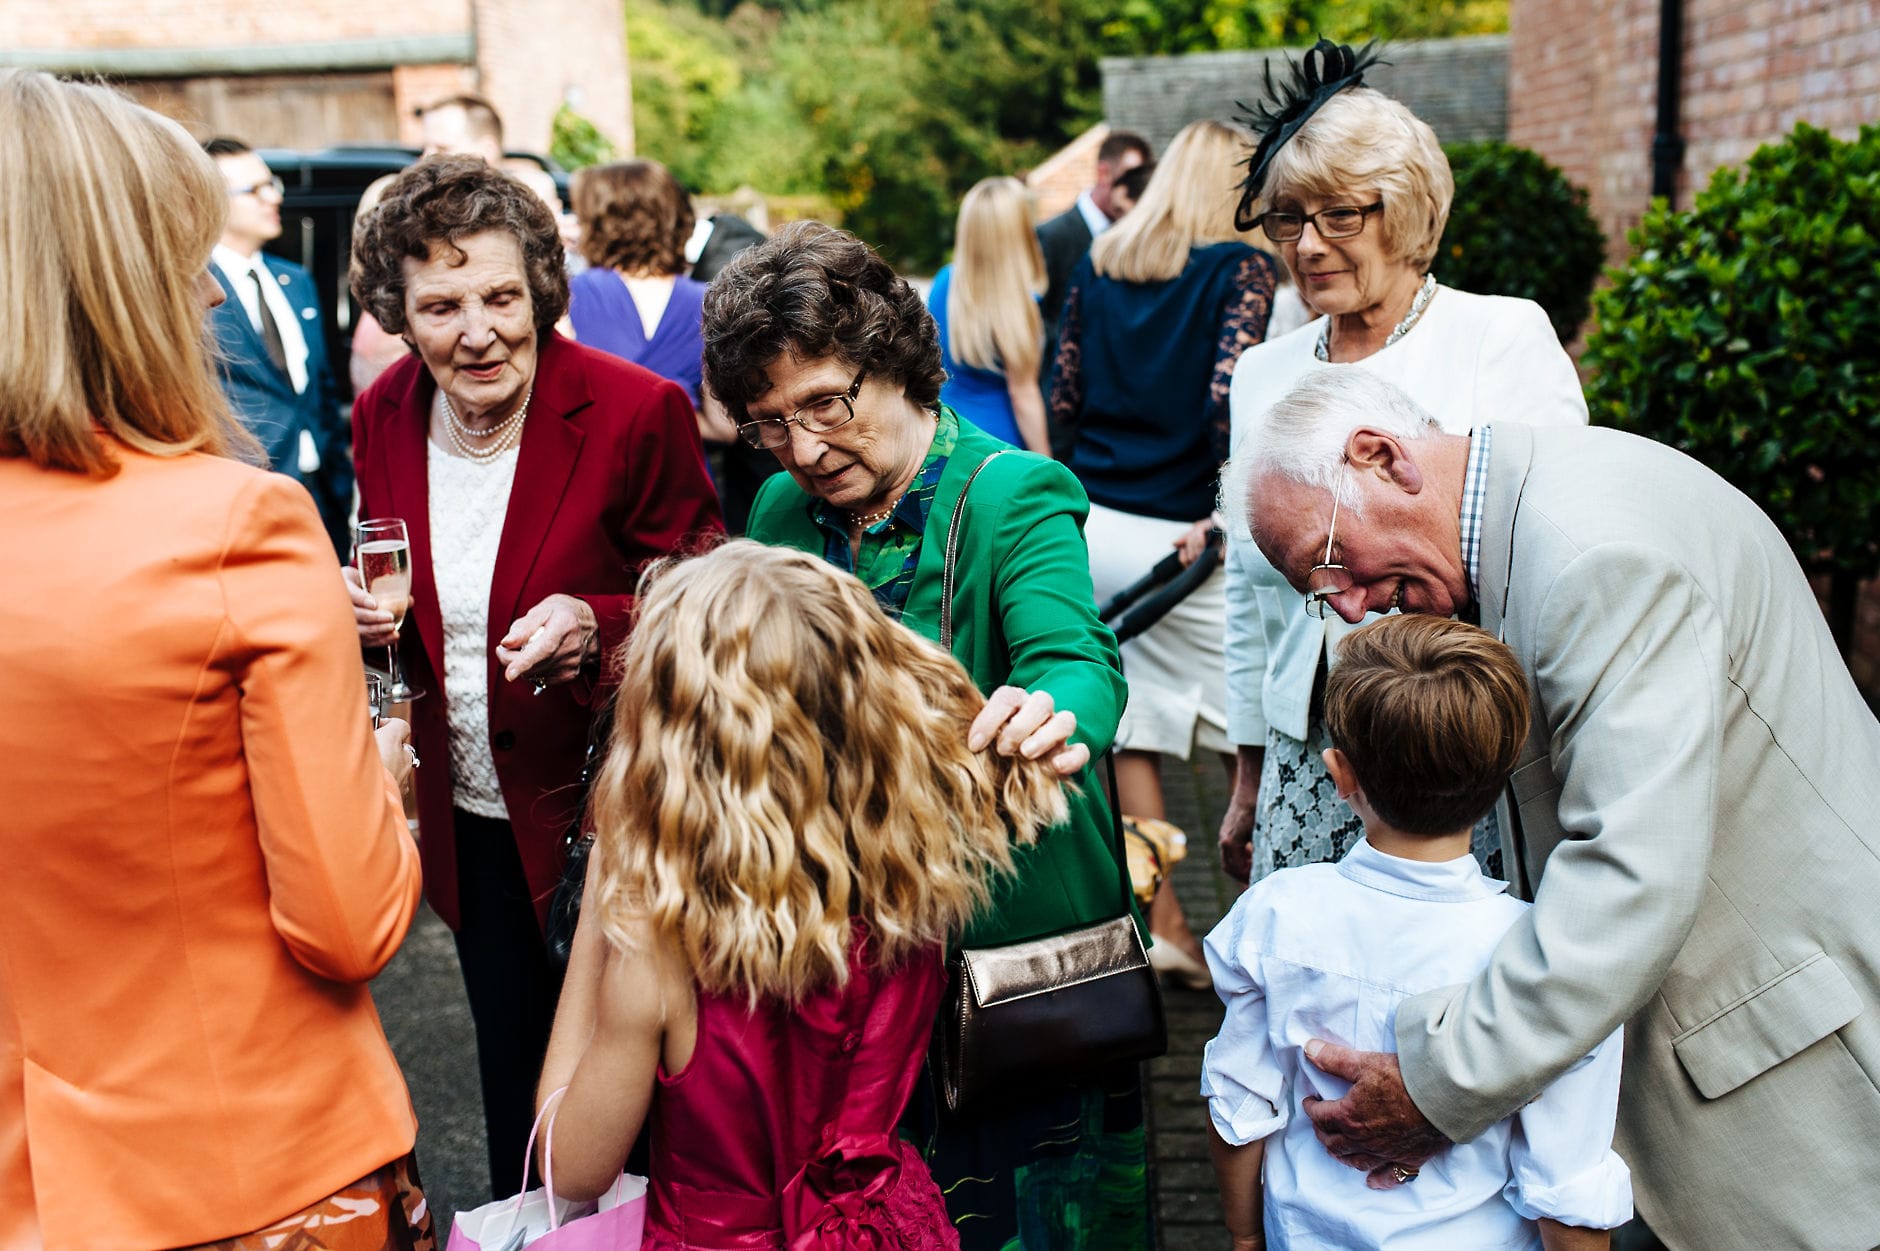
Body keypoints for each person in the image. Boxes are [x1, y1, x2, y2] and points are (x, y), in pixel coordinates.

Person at [1229, 366, 1880, 1250]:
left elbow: (1631, 880)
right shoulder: (1545, 518)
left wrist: (1437, 1084)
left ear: (1381, 457)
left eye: (1331, 560)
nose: (1346, 606)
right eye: (1318, 590)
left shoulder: (1595, 559)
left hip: (1779, 1068)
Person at [0, 70, 428, 1251]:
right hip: (243, 1170)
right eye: (184, 259)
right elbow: (346, 922)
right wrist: (383, 785)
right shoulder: (236, 523)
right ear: (120, 284)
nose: (205, 293)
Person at [703, 221, 1149, 1249]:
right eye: (769, 423)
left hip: (1003, 967)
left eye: (826, 403)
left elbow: (1074, 655)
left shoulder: (1010, 494)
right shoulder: (777, 508)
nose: (804, 449)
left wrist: (1054, 713)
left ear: (895, 363)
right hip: (841, 976)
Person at [345, 154, 723, 1197]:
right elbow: (397, 590)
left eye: (501, 298)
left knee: (636, 1108)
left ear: (541, 292)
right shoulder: (383, 412)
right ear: (399, 316)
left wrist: (597, 623)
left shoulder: (636, 408)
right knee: (514, 1092)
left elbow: (707, 597)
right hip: (472, 824)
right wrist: (359, 613)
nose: (477, 332)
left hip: (613, 821)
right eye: (441, 306)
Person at [539, 541, 1074, 1247]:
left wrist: (603, 906)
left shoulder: (662, 953)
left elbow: (570, 1165)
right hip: (887, 1228)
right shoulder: (915, 871)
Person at [1218, 40, 1588, 889]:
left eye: (1340, 215)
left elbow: (1554, 560)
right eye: (1288, 219)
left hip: (1456, 746)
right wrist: (1246, 773)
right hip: (1309, 752)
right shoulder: (1263, 373)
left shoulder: (1499, 337)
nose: (1309, 245)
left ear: (1408, 209)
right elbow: (1247, 592)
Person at [1203, 615, 1631, 1251]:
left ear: (1340, 773)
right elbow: (1567, 1181)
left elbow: (1237, 1105)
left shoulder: (1275, 914)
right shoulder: (1543, 957)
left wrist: (1244, 1236)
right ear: (1502, 776)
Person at [1049, 119, 1276, 987]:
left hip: (1098, 522)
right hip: (1188, 538)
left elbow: (1063, 393)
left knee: (1129, 728)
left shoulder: (1100, 262)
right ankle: (1267, 928)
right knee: (1249, 731)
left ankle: (1167, 926)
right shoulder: (1243, 270)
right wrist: (1225, 509)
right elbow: (1230, 401)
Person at [204, 136, 353, 557]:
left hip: (322, 498)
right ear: (212, 201)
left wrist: (338, 482)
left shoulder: (295, 280)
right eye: (254, 189)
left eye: (272, 184)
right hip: (247, 503)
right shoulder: (195, 289)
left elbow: (321, 389)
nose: (273, 197)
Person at [351, 93, 513, 395]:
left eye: (441, 148)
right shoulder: (396, 202)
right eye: (424, 147)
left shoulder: (513, 217)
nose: (426, 158)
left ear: (487, 149)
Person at [567, 159, 733, 444]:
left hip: (599, 459)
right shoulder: (710, 304)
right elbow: (723, 429)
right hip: (678, 463)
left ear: (598, 223)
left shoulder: (571, 296)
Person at [927, 175, 1049, 451]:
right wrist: (1047, 462)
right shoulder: (1017, 302)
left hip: (947, 434)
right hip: (999, 445)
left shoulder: (944, 281)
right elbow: (1023, 395)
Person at [1036, 128, 1151, 338]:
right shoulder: (1052, 236)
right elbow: (1037, 320)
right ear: (1103, 173)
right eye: (1129, 179)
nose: (1136, 190)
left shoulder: (1136, 240)